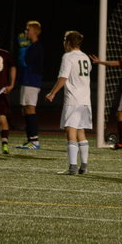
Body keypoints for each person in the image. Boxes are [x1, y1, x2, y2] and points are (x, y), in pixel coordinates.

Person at [46, 30, 92, 175]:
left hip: (73, 100)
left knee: (70, 131)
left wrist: (52, 93)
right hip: (85, 100)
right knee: (81, 132)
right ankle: (84, 166)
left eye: (65, 40)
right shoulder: (85, 57)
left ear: (69, 42)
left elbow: (63, 77)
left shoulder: (68, 57)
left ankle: (72, 167)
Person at [16, 20, 44, 149]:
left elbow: (25, 62)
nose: (25, 31)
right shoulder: (32, 46)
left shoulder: (36, 46)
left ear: (35, 32)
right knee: (25, 109)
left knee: (30, 108)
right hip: (27, 80)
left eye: (28, 29)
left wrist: (23, 49)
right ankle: (30, 139)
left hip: (31, 81)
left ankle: (34, 140)